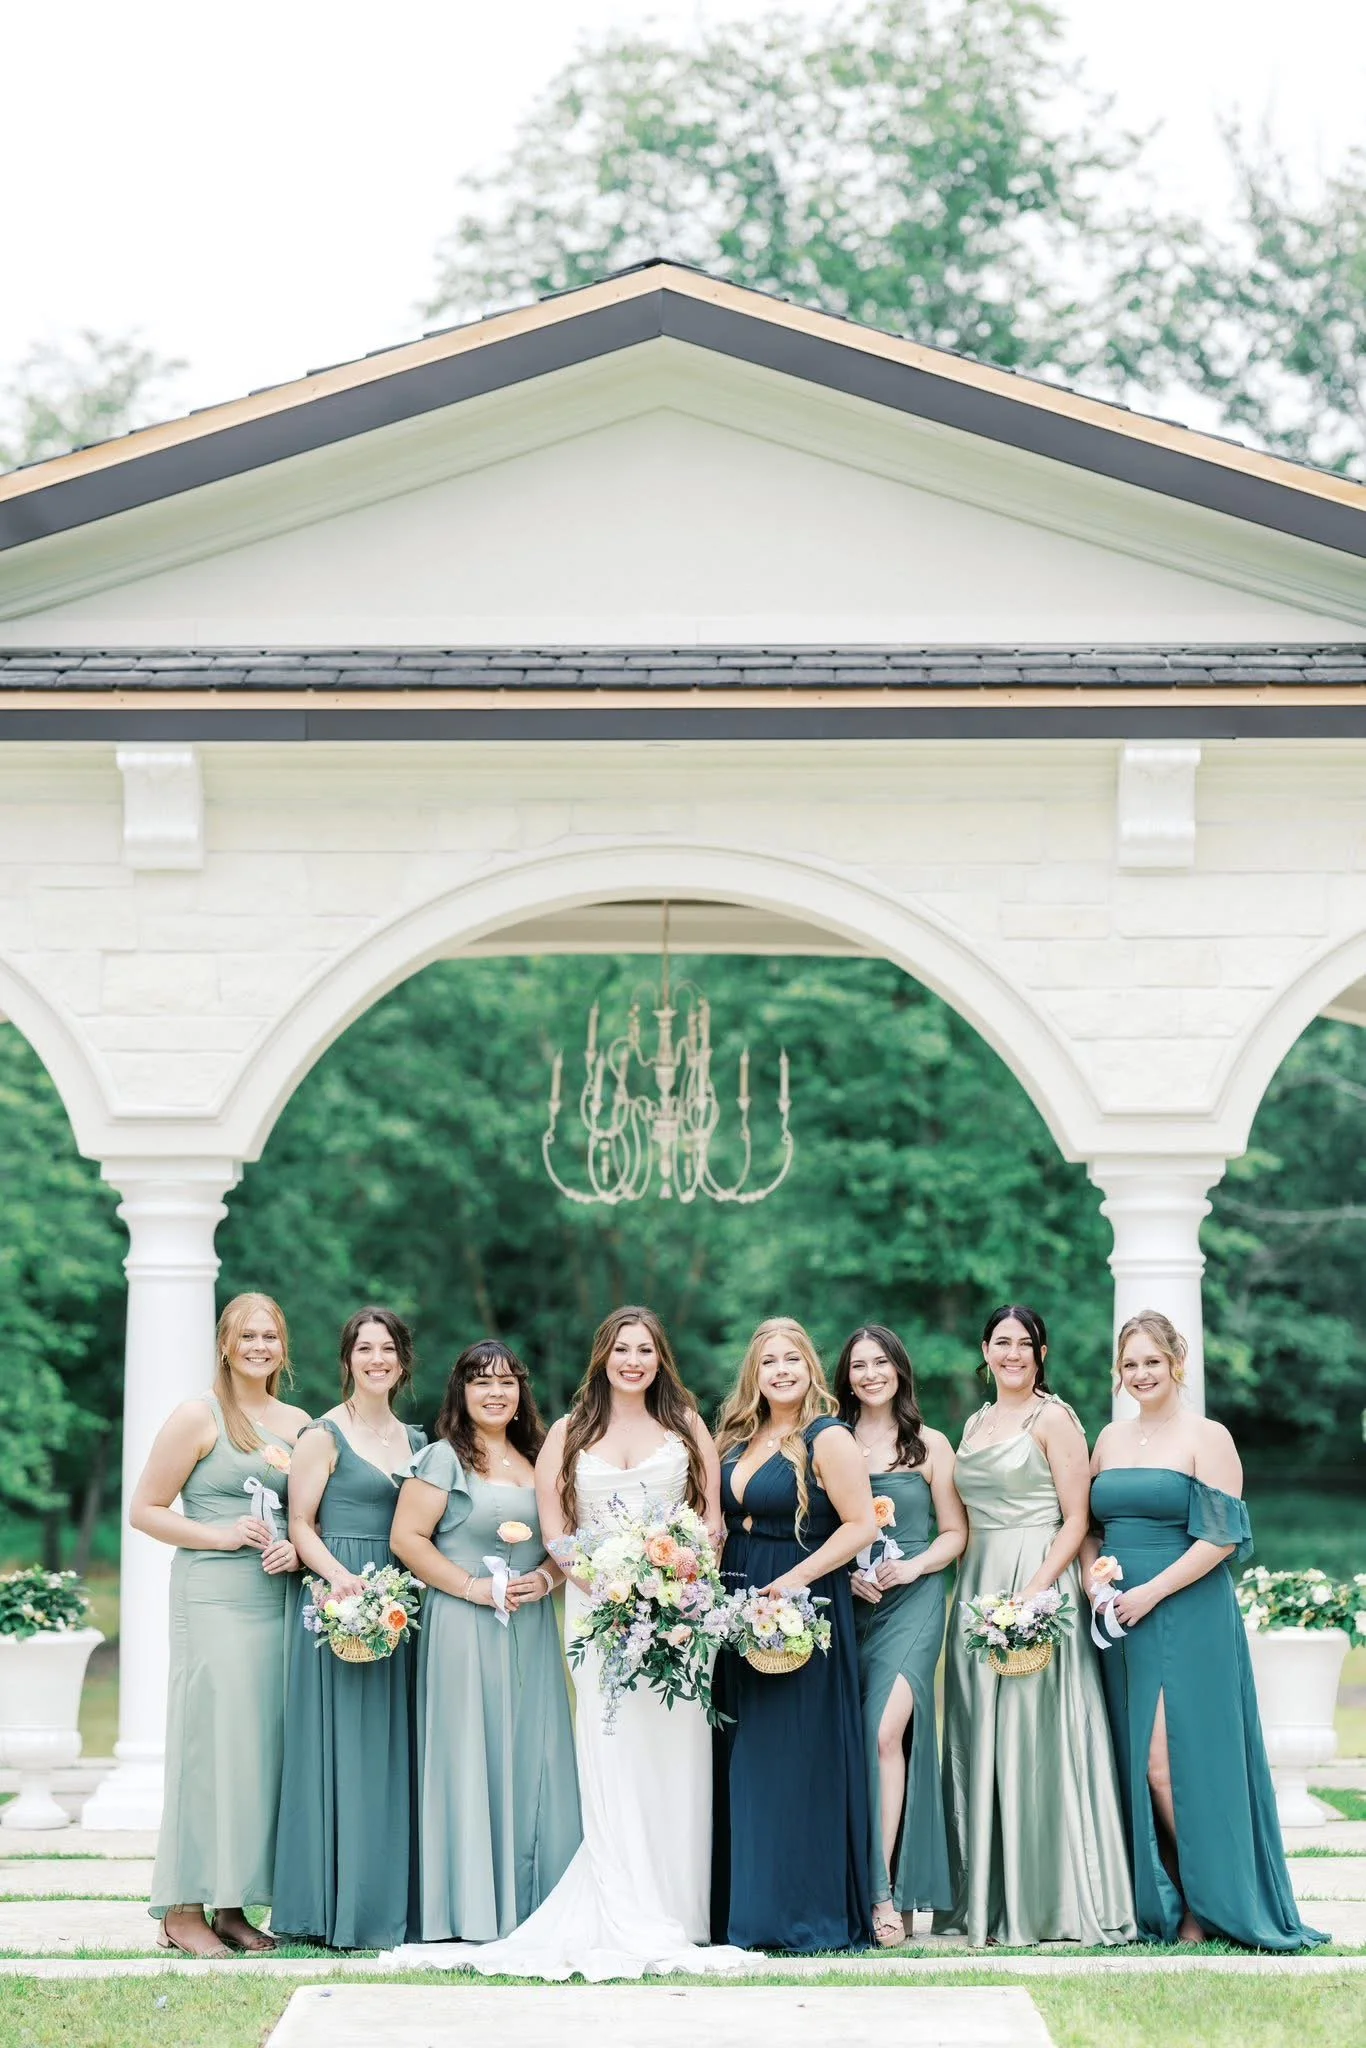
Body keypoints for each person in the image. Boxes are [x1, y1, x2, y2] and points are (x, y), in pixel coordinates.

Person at [450, 1305, 747, 1979]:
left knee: (676, 1752)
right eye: (621, 1349)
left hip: (677, 1611)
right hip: (599, 1612)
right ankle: (623, 1896)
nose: (633, 1360)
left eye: (644, 1349)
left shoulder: (685, 1424)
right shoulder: (568, 1431)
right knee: (614, 1749)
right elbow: (556, 1529)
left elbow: (710, 1519)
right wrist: (611, 1584)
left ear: (660, 1357)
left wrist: (670, 1577)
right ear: (602, 1357)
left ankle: (683, 1909)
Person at [1085, 1310, 1326, 1952]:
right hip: (1119, 1620)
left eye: (1151, 1363)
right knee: (1133, 1761)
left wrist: (1150, 1593)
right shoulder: (1107, 1439)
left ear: (1176, 1365)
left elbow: (1222, 1536)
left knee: (1173, 1762)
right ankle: (1162, 1899)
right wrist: (1094, 1582)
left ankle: (1206, 1903)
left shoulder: (1207, 1435)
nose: (1140, 1374)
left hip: (1185, 1609)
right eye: (1129, 1364)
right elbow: (1087, 1529)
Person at [935, 1304, 1135, 1948]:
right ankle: (988, 1900)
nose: (1012, 1353)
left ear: (1040, 1352)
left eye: (1025, 1344)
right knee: (980, 1732)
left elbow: (1077, 1518)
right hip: (977, 1585)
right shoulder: (973, 1422)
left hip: (1037, 1582)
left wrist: (1034, 1592)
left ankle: (1050, 1898)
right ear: (984, 1350)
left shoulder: (1056, 1419)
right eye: (1001, 1342)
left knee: (1034, 1735)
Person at [133, 1292, 308, 1958]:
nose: (259, 1347)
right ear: (225, 1345)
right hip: (214, 1602)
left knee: (256, 1755)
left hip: (274, 1603)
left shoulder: (298, 1423)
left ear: (282, 1346)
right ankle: (182, 1910)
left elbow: (309, 1514)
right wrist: (217, 1533)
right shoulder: (196, 1416)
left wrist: (297, 1546)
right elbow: (144, 1510)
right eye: (247, 1337)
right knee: (209, 1748)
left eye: (270, 1336)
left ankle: (232, 1907)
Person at [388, 1339, 581, 1943]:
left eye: (506, 1381)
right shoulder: (444, 1459)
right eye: (481, 1382)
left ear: (522, 1391)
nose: (495, 1393)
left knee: (537, 1750)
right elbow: (408, 1539)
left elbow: (564, 1543)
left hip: (528, 1626)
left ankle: (540, 1903)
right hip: (462, 1625)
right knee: (468, 1751)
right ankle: (466, 1908)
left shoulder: (543, 1458)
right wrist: (472, 1589)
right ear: (461, 1392)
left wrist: (546, 1580)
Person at [712, 1317, 878, 1953]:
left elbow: (860, 1525)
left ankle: (800, 1914)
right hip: (737, 1599)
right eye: (768, 1362)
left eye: (792, 1360)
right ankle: (744, 1909)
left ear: (810, 1368)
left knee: (793, 1756)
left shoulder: (827, 1437)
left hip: (799, 1597)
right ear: (753, 1375)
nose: (780, 1370)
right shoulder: (739, 1438)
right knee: (744, 1757)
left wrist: (792, 1584)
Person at [271, 1307, 425, 1950]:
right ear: (347, 1359)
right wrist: (342, 1581)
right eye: (364, 1349)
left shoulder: (420, 1442)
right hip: (338, 1603)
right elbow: (300, 1521)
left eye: (387, 1349)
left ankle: (391, 1902)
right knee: (340, 1750)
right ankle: (330, 1906)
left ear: (402, 1360)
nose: (376, 1359)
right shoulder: (321, 1435)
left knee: (393, 1752)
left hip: (400, 1603)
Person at [835, 1323, 967, 1946]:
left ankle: (881, 1895)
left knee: (883, 1732)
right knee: (853, 1739)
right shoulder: (831, 1443)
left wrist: (913, 1566)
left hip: (915, 1604)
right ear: (846, 1376)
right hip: (851, 1607)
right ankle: (853, 1877)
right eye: (859, 1365)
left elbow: (955, 1534)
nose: (870, 1374)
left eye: (881, 1362)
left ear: (899, 1370)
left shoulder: (931, 1445)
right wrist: (844, 1576)